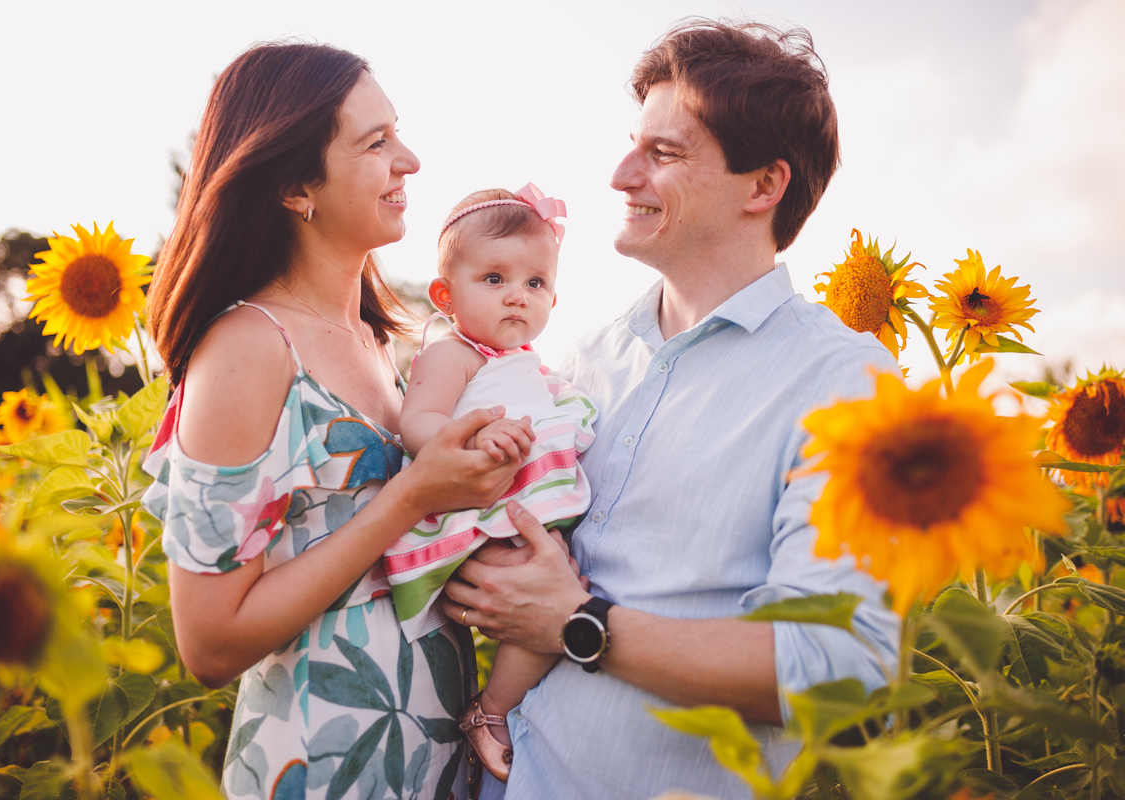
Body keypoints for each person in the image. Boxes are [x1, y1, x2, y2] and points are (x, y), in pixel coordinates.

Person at [439, 20, 902, 800]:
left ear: (763, 185)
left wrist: (578, 623)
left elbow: (838, 674)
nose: (621, 175)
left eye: (665, 153)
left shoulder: (844, 381)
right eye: (633, 145)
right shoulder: (580, 365)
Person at [141, 42, 522, 800]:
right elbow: (209, 644)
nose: (408, 160)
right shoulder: (249, 347)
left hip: (429, 754)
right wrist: (412, 497)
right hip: (325, 759)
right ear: (294, 187)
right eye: (375, 143)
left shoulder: (381, 340)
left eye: (396, 134)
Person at [384, 185, 597, 782]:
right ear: (446, 296)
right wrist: (474, 435)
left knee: (558, 592)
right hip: (477, 510)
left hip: (515, 510)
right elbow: (418, 423)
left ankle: (508, 704)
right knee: (549, 597)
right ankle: (492, 712)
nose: (517, 295)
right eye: (495, 279)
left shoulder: (528, 365)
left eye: (535, 283)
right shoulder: (452, 353)